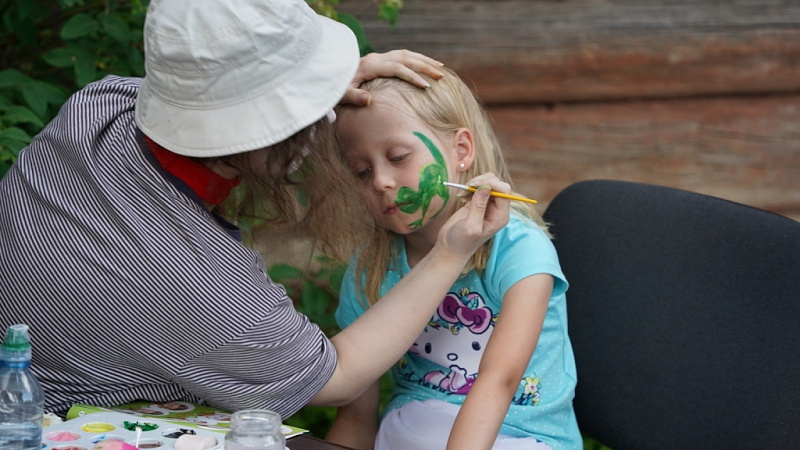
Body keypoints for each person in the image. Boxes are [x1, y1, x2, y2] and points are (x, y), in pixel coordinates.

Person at [0, 0, 511, 419]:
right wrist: (448, 253)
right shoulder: (192, 282)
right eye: (303, 115)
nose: (321, 123)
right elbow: (336, 378)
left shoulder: (97, 105)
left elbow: (206, 94)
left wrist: (316, 85)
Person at [326, 68, 582, 449]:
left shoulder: (519, 250)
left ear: (461, 151)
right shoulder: (369, 270)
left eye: (397, 157)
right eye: (362, 172)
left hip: (519, 436)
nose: (380, 181)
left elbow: (499, 382)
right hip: (412, 430)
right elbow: (355, 416)